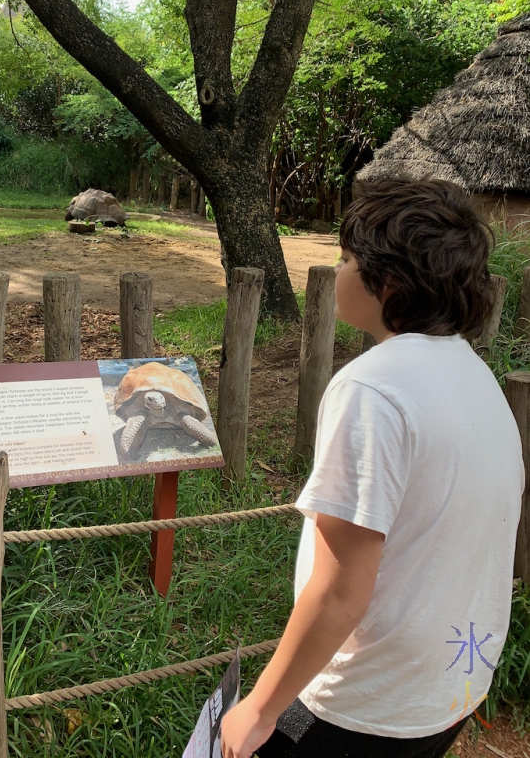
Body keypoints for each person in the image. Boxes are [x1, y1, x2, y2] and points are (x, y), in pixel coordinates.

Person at [221, 178, 524, 758]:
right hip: (448, 687)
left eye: (345, 257)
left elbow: (340, 593)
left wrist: (260, 709)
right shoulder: (473, 375)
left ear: (387, 283)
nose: (337, 270)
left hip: (363, 703)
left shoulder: (372, 388)